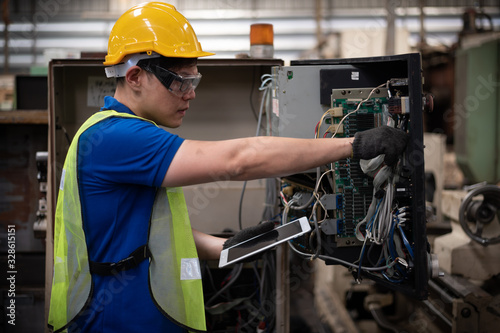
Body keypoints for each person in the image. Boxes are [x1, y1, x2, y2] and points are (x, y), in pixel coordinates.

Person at [48, 2, 409, 333]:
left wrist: (223, 248)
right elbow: (238, 161)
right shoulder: (118, 136)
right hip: (115, 323)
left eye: (195, 80)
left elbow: (138, 234)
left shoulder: (116, 132)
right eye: (180, 81)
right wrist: (352, 144)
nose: (190, 93)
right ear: (135, 77)